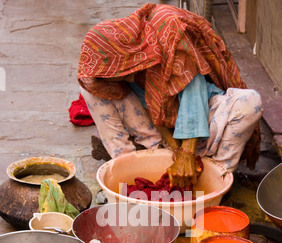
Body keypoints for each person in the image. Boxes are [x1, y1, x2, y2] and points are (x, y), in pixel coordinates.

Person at [78, 3, 263, 189]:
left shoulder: (167, 26)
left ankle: (217, 177)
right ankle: (128, 165)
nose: (111, 80)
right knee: (91, 89)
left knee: (250, 101)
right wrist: (174, 148)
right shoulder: (126, 61)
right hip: (158, 132)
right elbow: (151, 105)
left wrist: (187, 153)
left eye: (110, 75)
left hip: (202, 120)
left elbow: (193, 87)